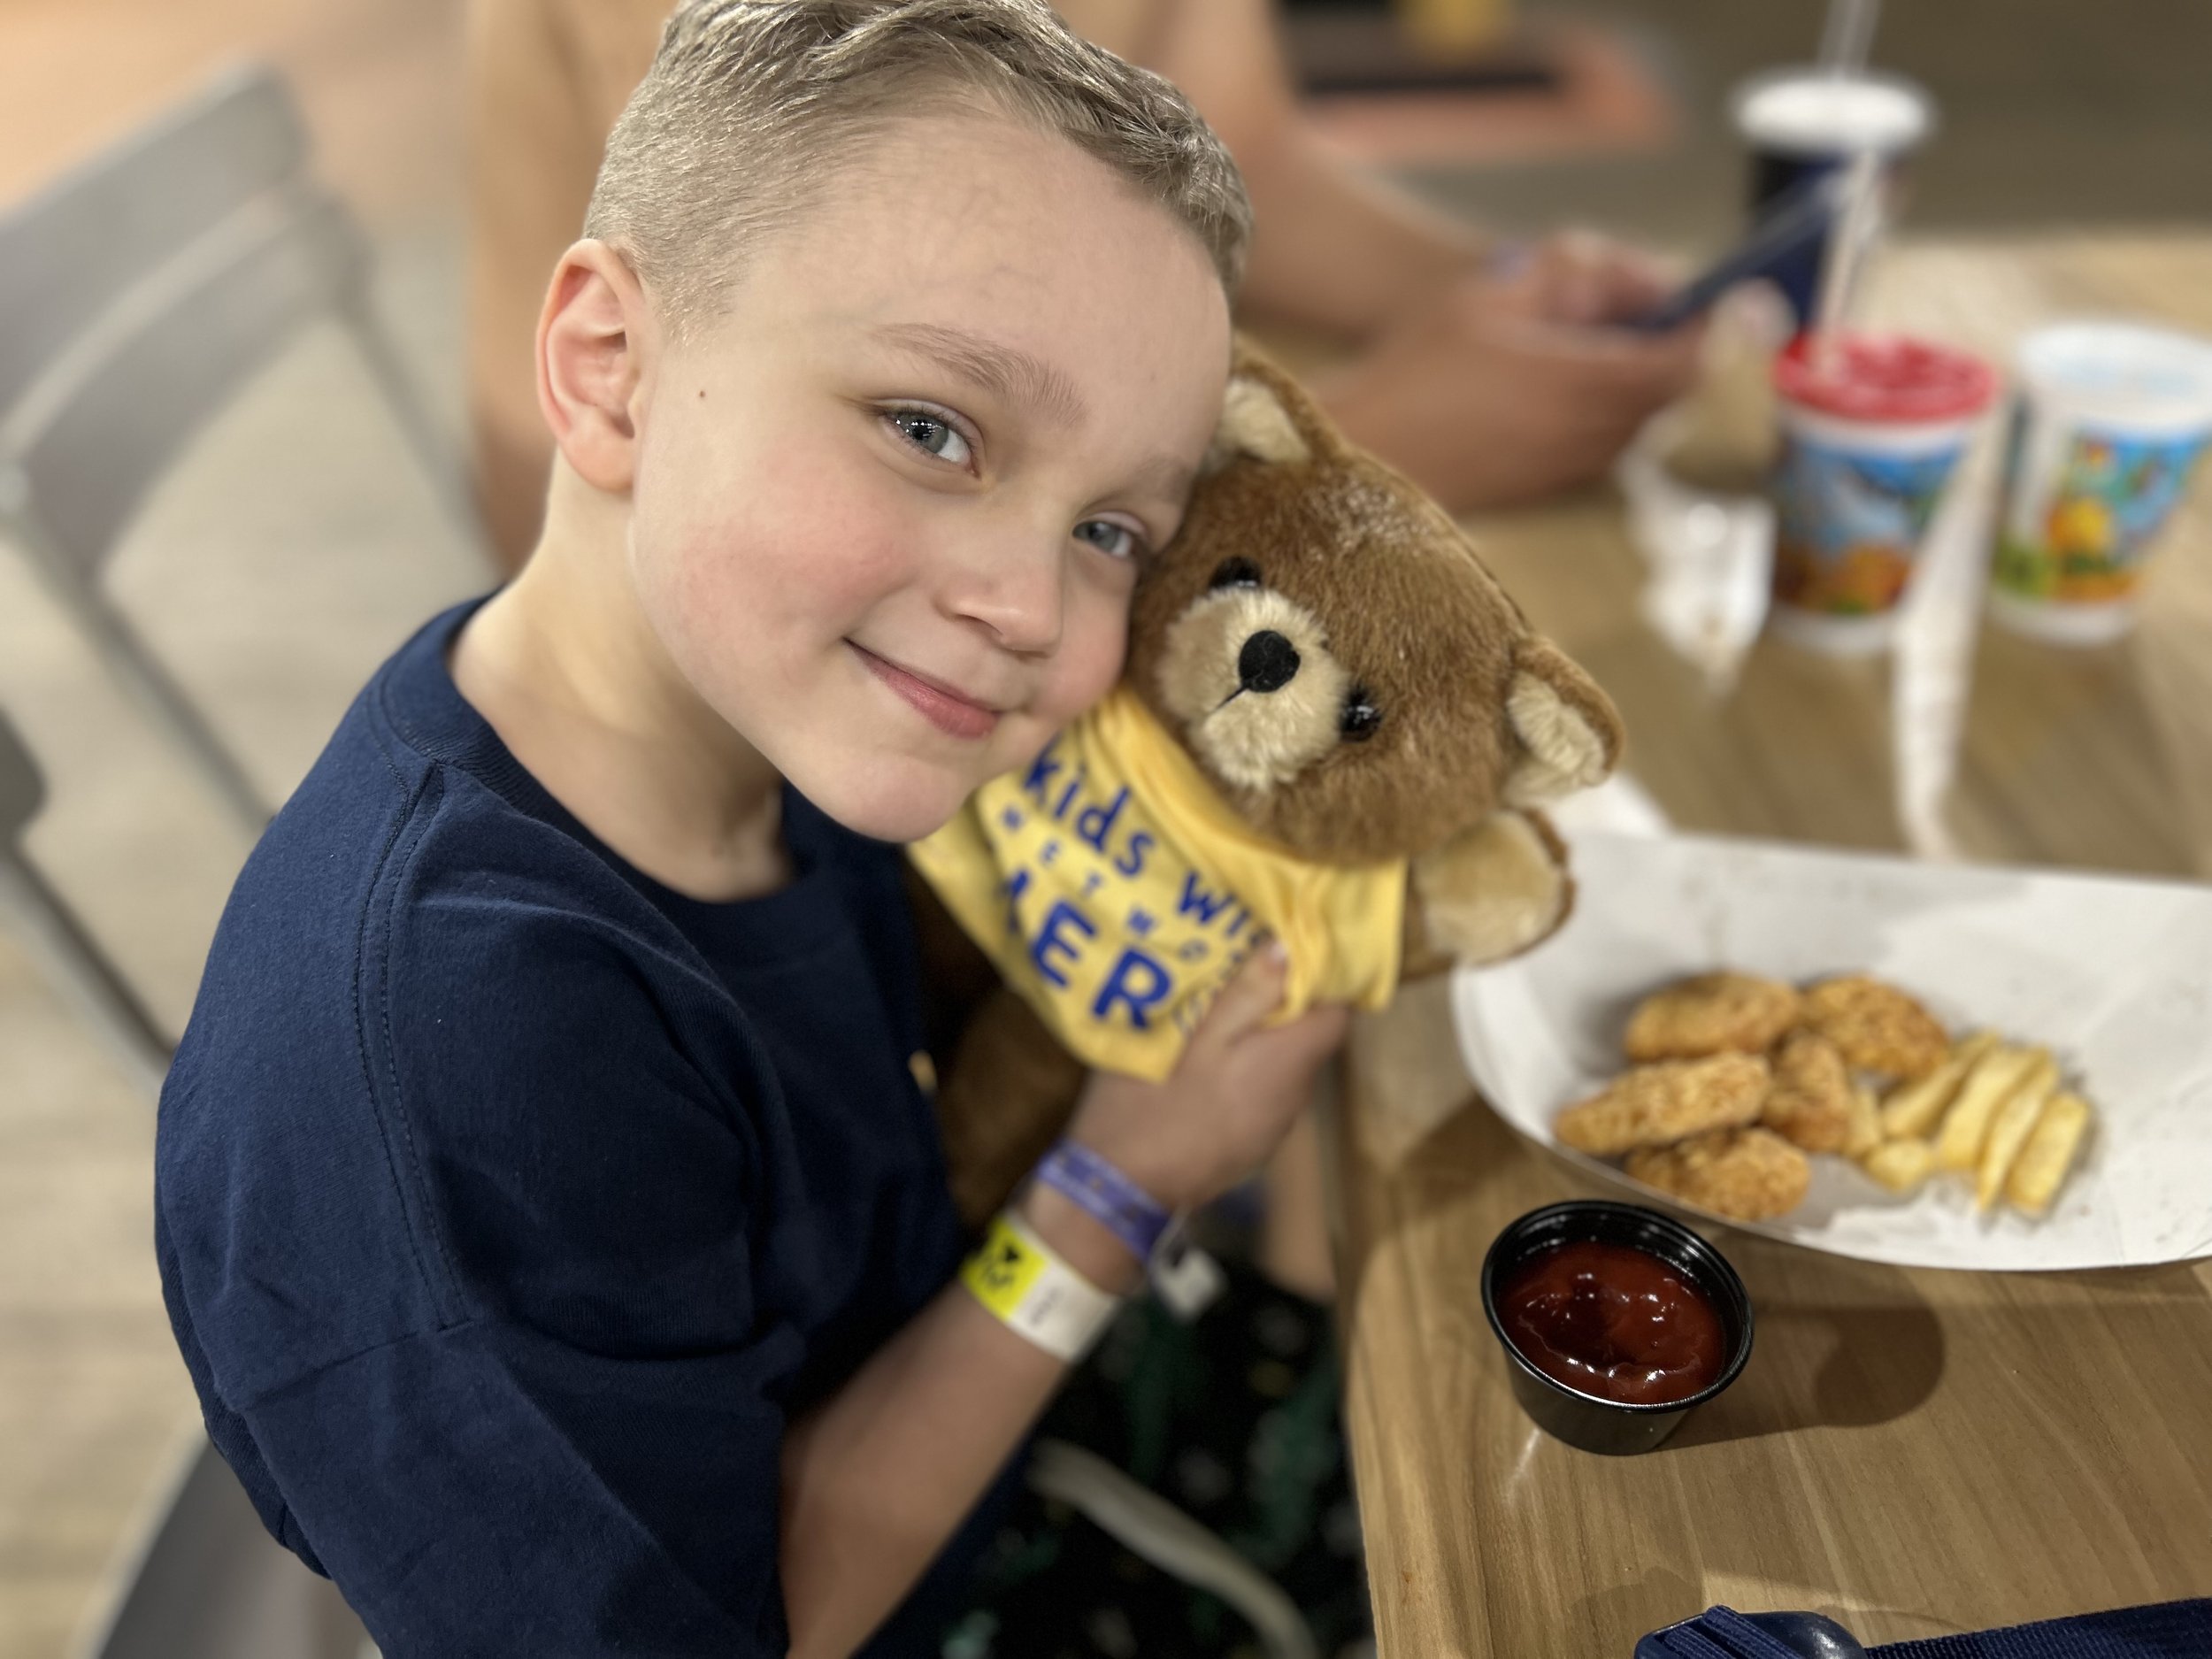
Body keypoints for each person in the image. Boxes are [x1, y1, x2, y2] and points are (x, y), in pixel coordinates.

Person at [155, 3, 1347, 1653]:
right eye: (931, 428)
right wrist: (1116, 1192)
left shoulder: (767, 713)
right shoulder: (462, 1056)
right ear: (612, 370)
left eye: (1112, 527)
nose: (1029, 608)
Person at [467, 0, 1705, 570]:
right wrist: (1374, 453)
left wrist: (1504, 295)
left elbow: (1236, 148)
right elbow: (832, 459)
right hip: (711, 615)